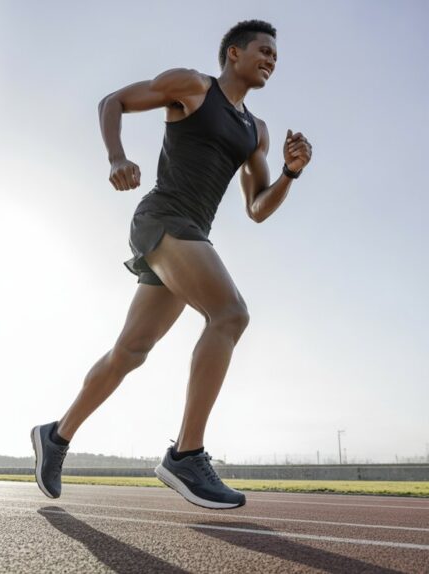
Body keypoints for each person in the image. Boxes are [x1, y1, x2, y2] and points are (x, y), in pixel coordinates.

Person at [31, 20, 313, 509]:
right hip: (163, 218)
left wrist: (290, 172)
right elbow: (112, 102)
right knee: (230, 314)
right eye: (263, 51)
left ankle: (55, 436)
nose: (271, 60)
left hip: (190, 236)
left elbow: (257, 208)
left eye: (276, 57)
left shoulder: (256, 131)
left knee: (131, 351)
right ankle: (186, 454)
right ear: (234, 55)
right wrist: (117, 157)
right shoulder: (194, 87)